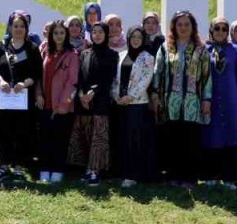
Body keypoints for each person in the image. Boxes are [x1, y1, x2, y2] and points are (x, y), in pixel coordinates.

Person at [153, 11, 212, 187]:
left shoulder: (200, 49)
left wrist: (207, 99)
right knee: (172, 140)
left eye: (187, 24)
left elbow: (207, 76)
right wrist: (155, 95)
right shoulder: (165, 48)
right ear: (174, 27)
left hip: (192, 103)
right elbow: (158, 72)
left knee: (191, 141)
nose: (183, 28)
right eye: (180, 24)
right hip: (170, 102)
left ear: (192, 27)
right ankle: (173, 177)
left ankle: (189, 178)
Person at [0, 12, 41, 184]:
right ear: (10, 27)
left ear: (26, 29)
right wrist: (1, 81)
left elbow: (36, 72)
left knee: (22, 131)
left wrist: (24, 84)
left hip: (22, 97)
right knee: (3, 130)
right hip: (4, 97)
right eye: (15, 26)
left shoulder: (32, 48)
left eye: (22, 26)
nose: (18, 29)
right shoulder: (0, 47)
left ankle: (19, 167)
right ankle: (4, 165)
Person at [201, 17, 237, 189]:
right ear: (211, 31)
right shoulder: (204, 50)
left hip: (231, 100)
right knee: (211, 136)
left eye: (223, 29)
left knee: (232, 137)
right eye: (217, 28)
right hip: (210, 100)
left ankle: (230, 177)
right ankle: (211, 175)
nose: (220, 32)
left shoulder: (235, 50)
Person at [69, 21, 117, 186]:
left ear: (106, 35)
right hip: (84, 102)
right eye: (94, 32)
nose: (97, 35)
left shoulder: (112, 55)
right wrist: (82, 93)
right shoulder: (84, 53)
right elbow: (80, 77)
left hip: (100, 101)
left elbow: (108, 79)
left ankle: (95, 171)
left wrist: (93, 93)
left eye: (100, 32)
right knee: (87, 136)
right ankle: (87, 169)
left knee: (98, 138)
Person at [112, 27, 157, 187]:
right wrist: (116, 95)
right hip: (121, 103)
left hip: (137, 104)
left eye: (139, 37)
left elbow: (146, 79)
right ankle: (123, 172)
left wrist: (131, 96)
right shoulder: (121, 55)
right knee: (123, 138)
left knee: (135, 140)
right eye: (133, 37)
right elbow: (115, 79)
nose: (136, 40)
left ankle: (134, 174)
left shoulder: (148, 57)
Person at [38, 20, 79, 185]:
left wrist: (63, 105)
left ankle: (58, 170)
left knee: (60, 141)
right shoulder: (44, 52)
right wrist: (38, 95)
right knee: (45, 139)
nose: (59, 36)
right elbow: (38, 77)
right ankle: (44, 169)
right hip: (44, 104)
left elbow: (73, 82)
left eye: (62, 33)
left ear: (66, 35)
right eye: (56, 33)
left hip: (63, 108)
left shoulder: (72, 55)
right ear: (50, 35)